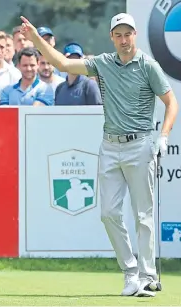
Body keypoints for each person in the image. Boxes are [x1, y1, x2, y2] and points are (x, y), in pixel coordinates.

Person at [20, 13, 178, 296]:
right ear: (112, 38)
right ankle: (130, 273)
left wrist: (163, 136)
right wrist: (35, 39)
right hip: (109, 146)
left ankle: (146, 275)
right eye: (118, 34)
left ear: (134, 35)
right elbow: (62, 63)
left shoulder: (148, 66)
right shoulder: (103, 63)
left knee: (143, 215)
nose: (124, 39)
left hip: (140, 145)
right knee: (108, 213)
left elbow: (171, 103)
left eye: (128, 34)